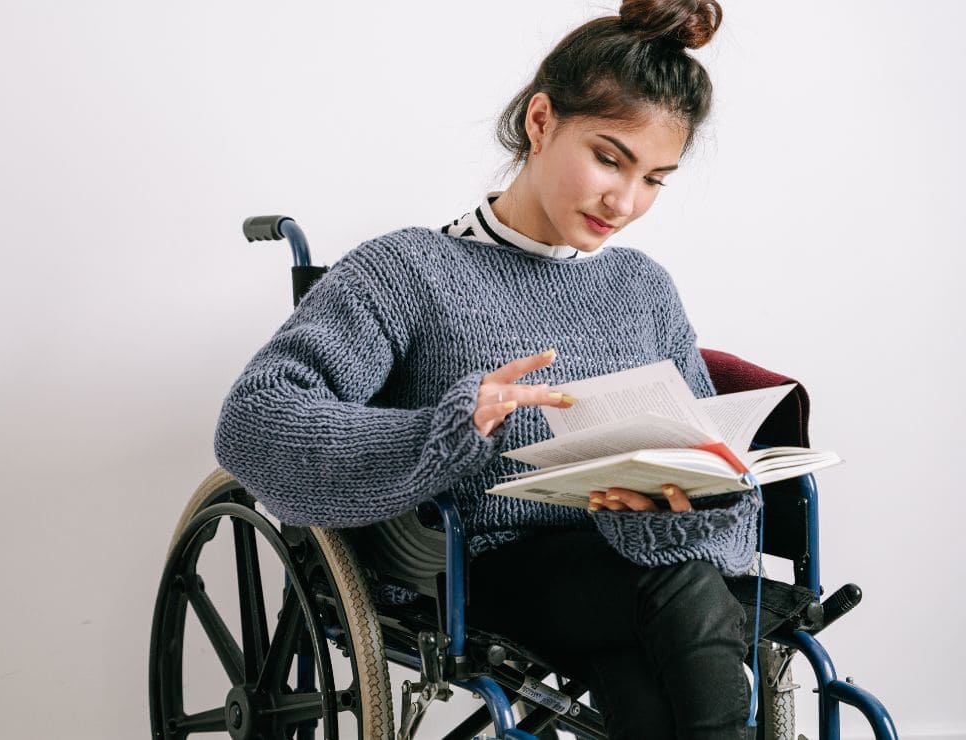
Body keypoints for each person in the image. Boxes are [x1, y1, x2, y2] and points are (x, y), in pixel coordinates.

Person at [215, 0, 757, 737]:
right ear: (541, 122)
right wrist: (446, 430)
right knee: (675, 588)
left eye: (655, 179)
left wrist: (686, 499)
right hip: (487, 570)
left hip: (631, 572)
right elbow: (256, 420)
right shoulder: (409, 270)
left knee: (650, 676)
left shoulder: (643, 286)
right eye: (609, 157)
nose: (625, 202)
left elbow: (703, 451)